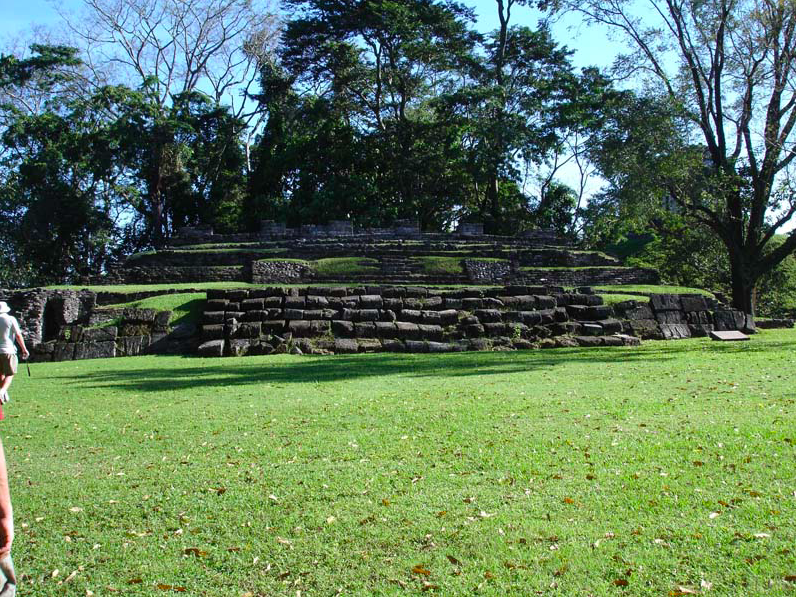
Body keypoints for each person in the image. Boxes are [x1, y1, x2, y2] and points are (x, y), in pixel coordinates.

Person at [0, 302, 28, 411]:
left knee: (1, 374)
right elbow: (18, 335)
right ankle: (2, 391)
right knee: (10, 373)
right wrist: (24, 349)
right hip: (8, 350)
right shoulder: (10, 319)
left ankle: (3, 393)